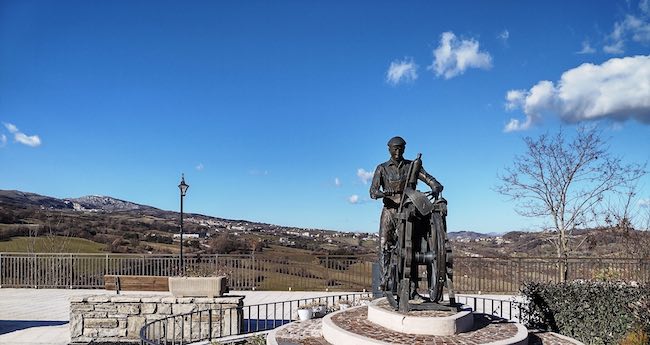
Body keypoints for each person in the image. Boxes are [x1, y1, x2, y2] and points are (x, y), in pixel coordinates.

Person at [369, 136, 443, 292]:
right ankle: (385, 281)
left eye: (401, 148)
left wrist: (435, 185)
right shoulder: (382, 168)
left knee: (412, 247)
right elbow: (373, 191)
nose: (398, 151)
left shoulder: (412, 166)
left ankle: (412, 288)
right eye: (395, 148)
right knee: (384, 244)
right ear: (389, 149)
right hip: (390, 210)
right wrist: (384, 194)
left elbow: (427, 178)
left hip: (409, 210)